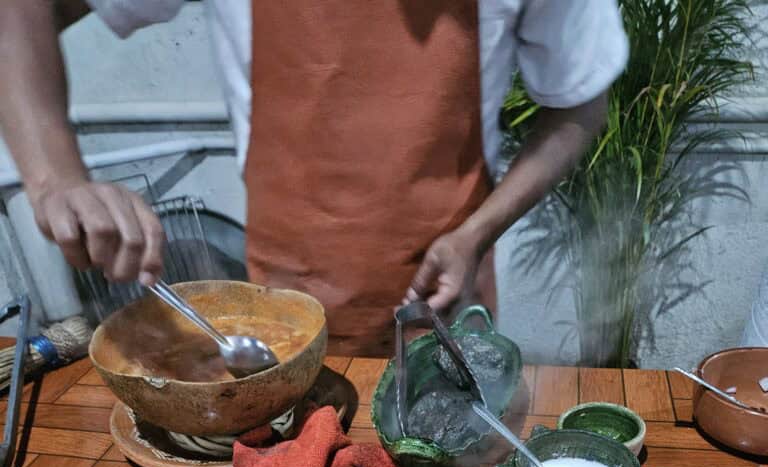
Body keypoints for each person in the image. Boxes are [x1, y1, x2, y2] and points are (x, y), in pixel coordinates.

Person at [0, 1, 628, 356]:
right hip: (283, 316)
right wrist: (55, 177)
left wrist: (477, 233)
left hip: (448, 305)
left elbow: (580, 105)